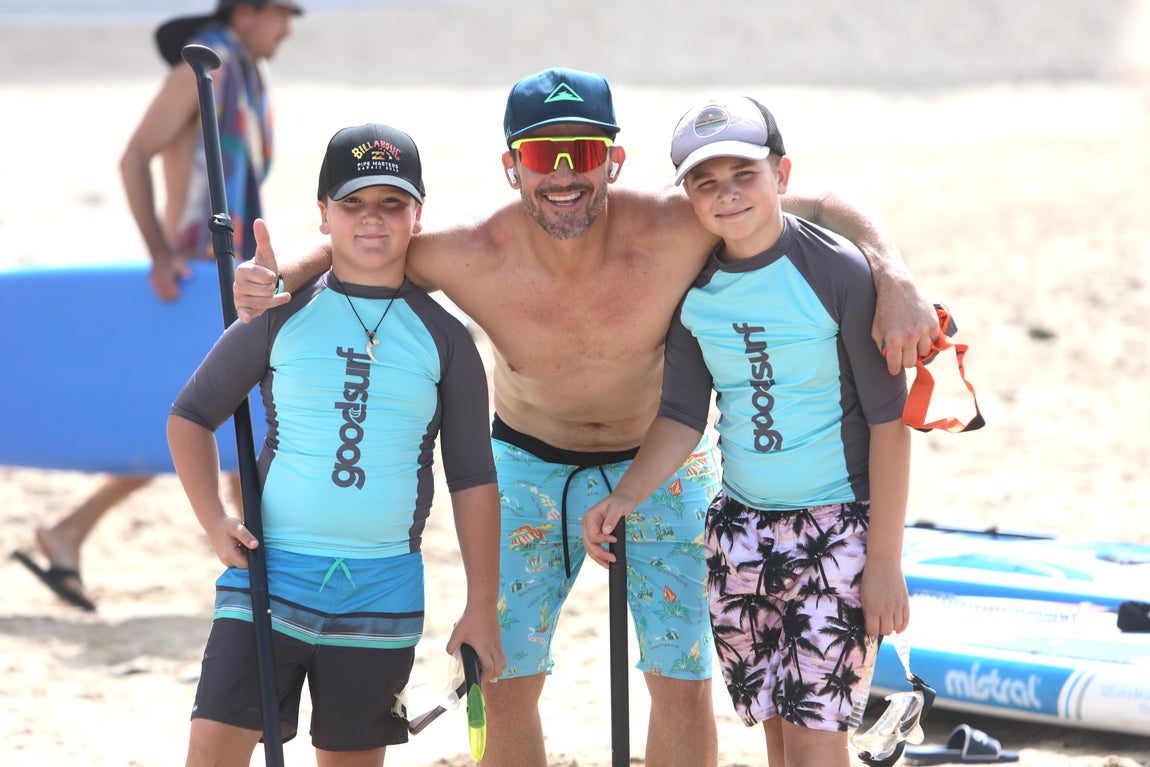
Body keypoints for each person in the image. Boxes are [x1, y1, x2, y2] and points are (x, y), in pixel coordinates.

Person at [230, 68, 936, 767]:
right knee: (502, 674)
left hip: (660, 457)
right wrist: (278, 276)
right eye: (543, 155)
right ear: (512, 167)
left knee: (681, 677)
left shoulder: (679, 220)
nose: (564, 174)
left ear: (614, 161)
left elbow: (820, 202)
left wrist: (894, 273)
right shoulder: (471, 250)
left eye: (583, 153)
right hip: (527, 462)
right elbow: (369, 235)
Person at [583, 96, 912, 767]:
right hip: (740, 532)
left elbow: (890, 424)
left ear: (781, 175)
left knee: (820, 736)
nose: (726, 195)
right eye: (706, 182)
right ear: (689, 197)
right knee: (778, 731)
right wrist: (627, 495)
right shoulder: (696, 291)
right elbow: (681, 415)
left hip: (838, 531)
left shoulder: (839, 269)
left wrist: (883, 561)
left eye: (744, 175)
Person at [167, 122, 505, 766]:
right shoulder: (281, 314)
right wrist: (213, 521)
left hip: (382, 595)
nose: (371, 221)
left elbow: (472, 478)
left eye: (391, 204)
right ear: (323, 215)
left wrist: (481, 604)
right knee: (212, 754)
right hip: (267, 578)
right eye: (352, 204)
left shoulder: (448, 338)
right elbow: (189, 415)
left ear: (418, 215)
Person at [11, 0, 301, 612]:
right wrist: (158, 252)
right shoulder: (203, 72)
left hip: (224, 276)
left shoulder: (245, 73)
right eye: (282, 13)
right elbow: (134, 154)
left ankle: (72, 531)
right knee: (218, 418)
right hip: (195, 278)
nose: (289, 27)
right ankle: (262, 578)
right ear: (247, 13)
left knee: (219, 419)